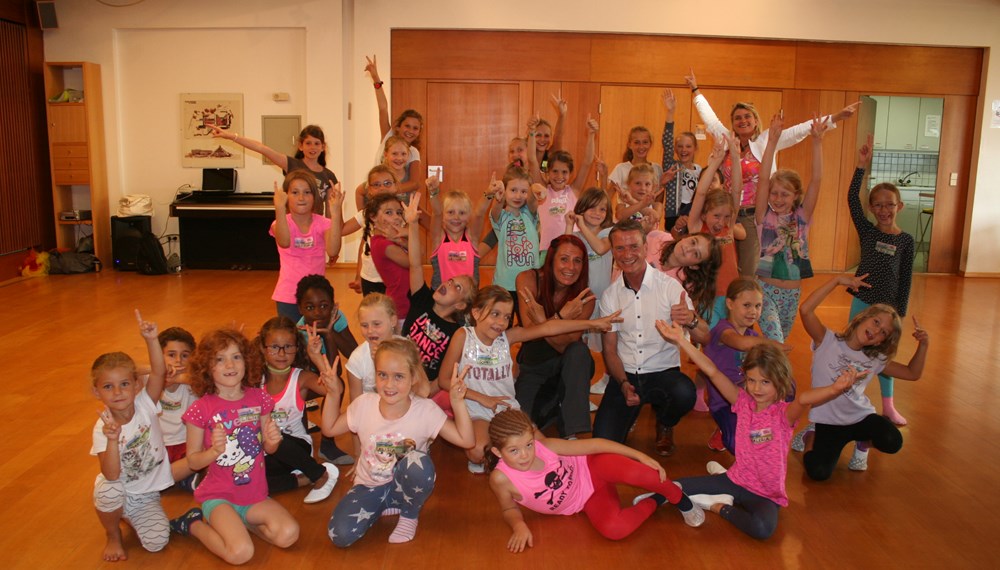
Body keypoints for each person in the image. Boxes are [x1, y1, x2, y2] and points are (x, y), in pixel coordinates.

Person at [657, 323, 856, 540]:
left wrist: (835, 389)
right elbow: (712, 371)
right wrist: (681, 340)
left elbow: (804, 399)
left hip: (765, 494)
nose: (756, 388)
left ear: (779, 382)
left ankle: (718, 506)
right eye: (751, 380)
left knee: (762, 529)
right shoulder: (741, 401)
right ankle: (720, 486)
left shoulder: (783, 415)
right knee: (673, 487)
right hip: (736, 480)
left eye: (765, 382)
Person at [686, 68, 858, 277]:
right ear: (732, 124)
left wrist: (836, 117)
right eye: (738, 118)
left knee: (749, 271)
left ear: (756, 120)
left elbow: (799, 131)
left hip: (752, 215)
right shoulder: (726, 140)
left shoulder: (766, 140)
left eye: (747, 116)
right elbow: (710, 118)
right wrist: (696, 90)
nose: (742, 120)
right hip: (727, 214)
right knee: (723, 267)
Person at [438, 286, 622, 473]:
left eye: (507, 317)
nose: (501, 322)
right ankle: (504, 447)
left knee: (541, 445)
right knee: (477, 453)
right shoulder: (463, 336)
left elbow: (548, 328)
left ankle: (583, 461)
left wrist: (592, 324)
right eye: (495, 314)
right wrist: (482, 398)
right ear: (476, 313)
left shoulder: (507, 338)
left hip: (506, 409)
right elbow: (444, 380)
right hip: (477, 411)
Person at [322, 339, 475, 546]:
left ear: (413, 378)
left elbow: (467, 440)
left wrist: (457, 402)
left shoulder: (425, 410)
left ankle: (409, 513)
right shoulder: (364, 404)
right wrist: (333, 394)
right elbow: (330, 428)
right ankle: (384, 504)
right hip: (369, 486)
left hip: (404, 486)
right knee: (339, 536)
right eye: (382, 375)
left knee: (417, 463)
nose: (389, 384)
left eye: (399, 377)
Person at [486, 409, 703, 552]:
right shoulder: (501, 479)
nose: (525, 455)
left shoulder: (546, 447)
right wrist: (519, 525)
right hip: (588, 498)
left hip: (592, 467)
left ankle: (677, 496)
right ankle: (657, 499)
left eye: (528, 445)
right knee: (615, 530)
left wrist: (639, 455)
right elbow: (508, 509)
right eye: (514, 450)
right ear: (497, 451)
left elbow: (596, 444)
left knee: (640, 473)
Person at [170, 329, 298, 565]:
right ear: (207, 367)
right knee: (241, 554)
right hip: (219, 496)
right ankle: (194, 524)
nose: (230, 364)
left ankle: (243, 524)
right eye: (220, 359)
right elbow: (193, 461)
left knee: (288, 535)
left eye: (236, 356)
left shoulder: (259, 399)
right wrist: (214, 452)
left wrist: (273, 440)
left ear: (247, 361)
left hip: (254, 494)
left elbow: (268, 450)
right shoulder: (201, 409)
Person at [793, 275, 929, 480]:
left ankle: (863, 443)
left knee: (893, 440)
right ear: (863, 317)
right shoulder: (826, 340)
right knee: (818, 472)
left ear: (880, 341)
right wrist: (837, 281)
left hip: (859, 417)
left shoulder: (875, 358)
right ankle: (811, 434)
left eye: (883, 332)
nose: (875, 331)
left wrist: (924, 345)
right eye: (875, 322)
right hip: (828, 421)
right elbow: (805, 310)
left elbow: (913, 373)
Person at [593, 220, 708, 456]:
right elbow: (611, 350)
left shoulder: (670, 288)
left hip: (662, 372)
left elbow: (705, 337)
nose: (627, 254)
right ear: (613, 252)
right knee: (603, 444)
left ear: (646, 247)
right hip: (626, 374)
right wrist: (623, 384)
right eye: (620, 248)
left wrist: (691, 319)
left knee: (684, 393)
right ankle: (630, 409)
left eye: (634, 246)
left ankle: (665, 421)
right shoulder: (610, 296)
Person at [91, 310, 171, 562]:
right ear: (97, 392)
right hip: (120, 491)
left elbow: (159, 373)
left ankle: (127, 515)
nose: (117, 392)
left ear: (136, 385)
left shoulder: (146, 403)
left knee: (157, 542)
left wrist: (151, 339)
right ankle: (113, 533)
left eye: (124, 384)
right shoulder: (102, 427)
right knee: (108, 490)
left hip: (145, 495)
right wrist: (113, 439)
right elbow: (111, 474)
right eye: (107, 386)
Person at [848, 135, 916, 426]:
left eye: (889, 205)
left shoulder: (906, 241)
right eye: (878, 205)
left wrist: (899, 310)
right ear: (872, 209)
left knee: (884, 358)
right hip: (862, 303)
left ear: (899, 206)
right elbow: (852, 199)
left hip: (888, 309)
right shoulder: (867, 231)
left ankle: (888, 405)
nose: (884, 210)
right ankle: (848, 397)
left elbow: (906, 278)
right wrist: (861, 166)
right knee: (852, 349)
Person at [514, 235, 596, 438]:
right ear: (551, 259)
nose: (571, 267)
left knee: (578, 351)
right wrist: (563, 317)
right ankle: (559, 404)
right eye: (564, 259)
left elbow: (563, 345)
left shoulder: (585, 298)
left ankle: (573, 432)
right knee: (522, 428)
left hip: (569, 367)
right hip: (535, 366)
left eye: (578, 261)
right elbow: (529, 332)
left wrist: (543, 322)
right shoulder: (527, 279)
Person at [753, 113, 827, 342]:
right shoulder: (763, 217)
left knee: (779, 340)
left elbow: (816, 180)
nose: (777, 198)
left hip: (792, 293)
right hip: (765, 290)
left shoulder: (802, 218)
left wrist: (817, 143)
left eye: (784, 194)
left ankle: (760, 372)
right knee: (776, 340)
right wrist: (772, 142)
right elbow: (763, 179)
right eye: (774, 193)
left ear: (795, 196)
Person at [703, 279, 791, 453]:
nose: (753, 311)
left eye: (758, 306)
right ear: (730, 303)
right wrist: (772, 344)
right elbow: (740, 343)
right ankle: (728, 432)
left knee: (788, 388)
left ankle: (758, 437)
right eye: (747, 305)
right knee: (738, 445)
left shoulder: (752, 334)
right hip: (725, 403)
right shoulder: (723, 330)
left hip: (750, 400)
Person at [257, 317, 339, 503]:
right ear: (263, 348)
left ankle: (319, 474)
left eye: (288, 346)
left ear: (297, 349)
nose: (281, 353)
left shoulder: (301, 378)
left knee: (275, 437)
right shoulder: (255, 379)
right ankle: (302, 479)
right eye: (274, 347)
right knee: (245, 480)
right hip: (267, 452)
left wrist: (317, 357)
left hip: (297, 447)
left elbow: (334, 390)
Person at [402, 192, 476, 393]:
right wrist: (413, 224)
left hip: (423, 390)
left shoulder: (456, 333)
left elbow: (443, 377)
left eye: (457, 287)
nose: (449, 283)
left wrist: (423, 395)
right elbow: (415, 265)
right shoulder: (422, 301)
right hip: (399, 372)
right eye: (450, 280)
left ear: (461, 305)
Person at [294, 274, 358, 466]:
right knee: (300, 394)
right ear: (300, 308)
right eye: (310, 307)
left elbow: (354, 353)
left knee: (337, 385)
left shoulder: (336, 318)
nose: (318, 313)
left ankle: (327, 444)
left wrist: (330, 334)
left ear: (333, 305)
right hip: (299, 382)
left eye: (324, 306)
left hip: (321, 374)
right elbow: (306, 375)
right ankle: (300, 440)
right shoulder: (300, 332)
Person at [212, 125, 338, 216]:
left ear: (323, 147)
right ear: (300, 146)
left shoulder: (328, 175)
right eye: (308, 143)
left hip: (316, 229)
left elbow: (330, 212)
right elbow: (261, 148)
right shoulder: (291, 164)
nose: (312, 147)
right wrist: (231, 137)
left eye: (317, 143)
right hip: (292, 224)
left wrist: (330, 237)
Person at [687, 134, 745, 328]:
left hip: (731, 294)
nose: (722, 222)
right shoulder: (698, 228)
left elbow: (736, 191)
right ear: (704, 214)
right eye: (716, 216)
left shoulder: (728, 228)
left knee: (729, 339)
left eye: (726, 216)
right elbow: (701, 193)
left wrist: (735, 157)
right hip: (707, 296)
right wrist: (715, 163)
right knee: (711, 339)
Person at [270, 169, 344, 322]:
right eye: (295, 192)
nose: (301, 198)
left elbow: (333, 250)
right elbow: (284, 242)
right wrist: (279, 208)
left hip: (317, 296)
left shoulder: (324, 223)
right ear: (286, 196)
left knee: (319, 338)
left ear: (314, 196)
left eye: (307, 192)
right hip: (288, 296)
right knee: (292, 340)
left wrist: (335, 212)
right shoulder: (280, 223)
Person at [564, 188, 615, 396]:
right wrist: (570, 225)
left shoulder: (609, 233)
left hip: (603, 297)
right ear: (581, 209)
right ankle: (580, 385)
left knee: (607, 343)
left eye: (602, 209)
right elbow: (564, 249)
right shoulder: (577, 235)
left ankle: (609, 378)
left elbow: (601, 249)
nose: (597, 213)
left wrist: (581, 224)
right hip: (582, 299)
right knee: (580, 342)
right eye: (592, 208)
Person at [365, 55, 424, 197]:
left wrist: (390, 190)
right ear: (398, 127)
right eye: (407, 126)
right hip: (377, 194)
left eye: (415, 128)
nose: (410, 131)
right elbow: (383, 108)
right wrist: (376, 80)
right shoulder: (388, 135)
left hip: (398, 199)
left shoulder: (413, 152)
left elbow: (415, 183)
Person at [490, 166, 541, 319]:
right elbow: (496, 210)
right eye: (513, 190)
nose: (518, 195)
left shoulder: (529, 215)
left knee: (530, 324)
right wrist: (498, 197)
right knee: (502, 323)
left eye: (523, 191)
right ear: (505, 191)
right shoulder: (502, 217)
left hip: (529, 284)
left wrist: (535, 189)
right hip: (505, 284)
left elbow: (532, 201)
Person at [154, 327, 199, 489]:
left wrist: (180, 378)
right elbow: (129, 370)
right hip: (158, 449)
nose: (178, 361)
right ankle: (177, 480)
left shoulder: (194, 384)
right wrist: (157, 371)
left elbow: (214, 382)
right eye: (171, 355)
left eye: (185, 355)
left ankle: (178, 480)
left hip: (189, 447)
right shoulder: (150, 383)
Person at [426, 175, 489, 289]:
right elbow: (436, 213)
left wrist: (489, 194)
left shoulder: (472, 237)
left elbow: (479, 214)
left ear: (469, 216)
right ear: (443, 215)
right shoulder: (438, 238)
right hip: (442, 298)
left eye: (462, 213)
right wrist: (434, 192)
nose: (456, 217)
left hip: (468, 298)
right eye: (450, 212)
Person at [364, 193, 410, 322]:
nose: (396, 217)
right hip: (401, 303)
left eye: (399, 212)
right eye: (388, 213)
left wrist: (403, 240)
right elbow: (413, 262)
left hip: (407, 299)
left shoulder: (393, 239)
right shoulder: (382, 243)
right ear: (373, 217)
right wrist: (410, 234)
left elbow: (421, 254)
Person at [661, 88, 700, 226]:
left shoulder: (700, 170)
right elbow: (667, 142)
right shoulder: (672, 166)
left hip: (694, 213)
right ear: (675, 149)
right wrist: (670, 112)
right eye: (680, 146)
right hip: (674, 214)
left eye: (688, 146)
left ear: (695, 148)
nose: (684, 150)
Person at [607, 126, 663, 206]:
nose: (641, 146)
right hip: (625, 217)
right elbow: (606, 198)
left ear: (650, 144)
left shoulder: (657, 169)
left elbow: (658, 202)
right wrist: (603, 175)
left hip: (648, 217)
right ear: (629, 144)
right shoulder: (620, 169)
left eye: (645, 142)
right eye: (637, 142)